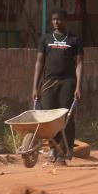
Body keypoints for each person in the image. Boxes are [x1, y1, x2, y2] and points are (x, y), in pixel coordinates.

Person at [32, 9, 83, 164]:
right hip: (48, 82)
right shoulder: (46, 39)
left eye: (59, 19)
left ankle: (65, 151)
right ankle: (53, 148)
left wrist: (78, 86)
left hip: (67, 82)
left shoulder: (74, 39)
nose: (56, 22)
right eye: (53, 19)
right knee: (49, 117)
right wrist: (35, 86)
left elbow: (79, 64)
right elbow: (39, 62)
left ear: (65, 20)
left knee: (65, 117)